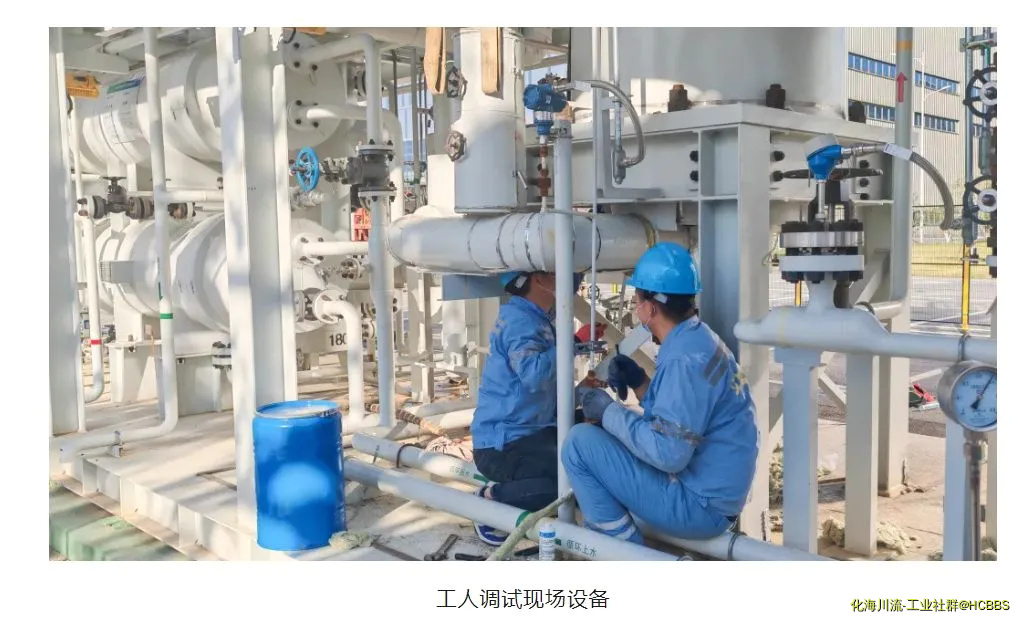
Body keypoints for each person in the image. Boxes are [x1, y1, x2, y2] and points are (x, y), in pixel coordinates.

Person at [564, 242, 760, 544]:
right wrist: (640, 382)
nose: (636, 307)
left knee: (579, 444)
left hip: (700, 506)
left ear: (651, 307)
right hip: (715, 491)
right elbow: (681, 418)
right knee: (617, 432)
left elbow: (669, 454)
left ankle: (624, 553)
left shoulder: (683, 360)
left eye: (637, 299)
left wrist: (608, 412)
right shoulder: (698, 339)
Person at [470, 269, 597, 545]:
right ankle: (490, 501)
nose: (571, 277)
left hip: (533, 429)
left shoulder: (536, 317)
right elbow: (535, 375)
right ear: (537, 279)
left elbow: (545, 392)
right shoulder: (520, 321)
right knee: (564, 485)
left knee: (589, 460)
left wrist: (584, 389)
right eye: (556, 271)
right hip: (504, 445)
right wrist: (574, 343)